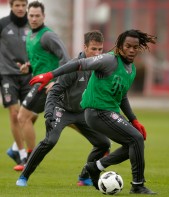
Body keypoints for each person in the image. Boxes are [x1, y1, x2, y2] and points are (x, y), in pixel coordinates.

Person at [28, 29, 157, 195]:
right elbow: (78, 64)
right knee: (136, 139)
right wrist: (51, 75)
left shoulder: (131, 69)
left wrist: (134, 120)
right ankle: (138, 185)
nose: (132, 50)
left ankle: (94, 167)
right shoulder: (109, 60)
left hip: (109, 112)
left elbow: (122, 96)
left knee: (133, 144)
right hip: (97, 111)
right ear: (120, 46)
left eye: (135, 47)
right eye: (128, 46)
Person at [16, 30, 111, 187]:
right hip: (62, 110)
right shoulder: (74, 67)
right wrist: (49, 112)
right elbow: (54, 91)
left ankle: (84, 176)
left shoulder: (99, 67)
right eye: (93, 49)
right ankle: (24, 176)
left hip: (81, 113)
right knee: (50, 141)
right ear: (85, 47)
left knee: (103, 143)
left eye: (100, 49)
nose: (97, 53)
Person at [13, 1, 70, 171]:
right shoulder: (30, 34)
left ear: (44, 17)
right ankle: (101, 143)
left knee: (22, 117)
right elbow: (40, 59)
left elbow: (65, 59)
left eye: (38, 15)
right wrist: (28, 66)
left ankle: (30, 160)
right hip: (39, 82)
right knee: (72, 120)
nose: (34, 18)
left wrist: (56, 82)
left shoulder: (47, 36)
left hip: (46, 85)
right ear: (27, 16)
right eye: (31, 15)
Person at [0, 0, 31, 167]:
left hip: (28, 75)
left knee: (30, 116)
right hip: (6, 75)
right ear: (11, 6)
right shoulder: (0, 24)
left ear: (26, 6)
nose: (20, 8)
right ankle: (22, 155)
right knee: (14, 114)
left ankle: (13, 148)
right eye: (16, 5)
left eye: (23, 5)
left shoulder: (33, 24)